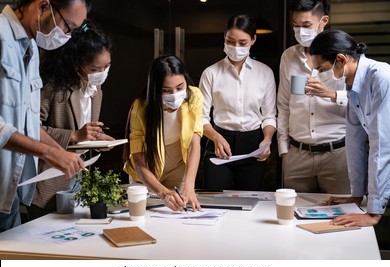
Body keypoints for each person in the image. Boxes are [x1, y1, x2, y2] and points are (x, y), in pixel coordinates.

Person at [0, 0, 90, 232]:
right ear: (43, 7)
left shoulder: (30, 49)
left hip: (8, 193)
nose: (67, 36)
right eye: (67, 27)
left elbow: (28, 123)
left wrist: (60, 154)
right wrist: (49, 152)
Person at [26, 21, 115, 219]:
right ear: (77, 64)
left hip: (79, 173)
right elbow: (30, 128)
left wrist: (96, 138)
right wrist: (74, 135)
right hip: (49, 178)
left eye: (106, 66)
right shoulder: (52, 86)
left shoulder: (95, 89)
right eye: (94, 69)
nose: (102, 74)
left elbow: (83, 128)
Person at [310, 29, 390, 227]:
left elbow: (382, 146)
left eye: (321, 69)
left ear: (340, 59)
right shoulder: (352, 85)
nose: (318, 76)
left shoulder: (381, 77)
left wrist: (373, 212)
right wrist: (356, 196)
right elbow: (355, 142)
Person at [277, 0, 350, 194]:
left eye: (306, 25)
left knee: (341, 216)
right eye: (296, 25)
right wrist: (284, 150)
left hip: (337, 155)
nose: (300, 31)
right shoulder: (288, 57)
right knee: (293, 217)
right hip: (296, 155)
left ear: (323, 21)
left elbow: (360, 102)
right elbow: (283, 105)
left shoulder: (342, 55)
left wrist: (331, 94)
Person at [199, 14, 276, 191]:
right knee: (215, 199)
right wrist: (216, 138)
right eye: (230, 41)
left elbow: (269, 116)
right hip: (219, 142)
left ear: (253, 40)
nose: (236, 47)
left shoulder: (265, 73)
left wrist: (267, 140)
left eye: (243, 43)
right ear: (224, 37)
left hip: (253, 145)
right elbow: (201, 118)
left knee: (250, 200)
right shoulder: (211, 73)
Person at [123, 55, 203, 211]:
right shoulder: (140, 107)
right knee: (143, 214)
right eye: (166, 90)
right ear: (155, 89)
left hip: (178, 164)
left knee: (178, 210)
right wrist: (161, 192)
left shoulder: (194, 96)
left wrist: (189, 185)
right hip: (148, 167)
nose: (174, 94)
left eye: (180, 87)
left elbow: (195, 143)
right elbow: (138, 159)